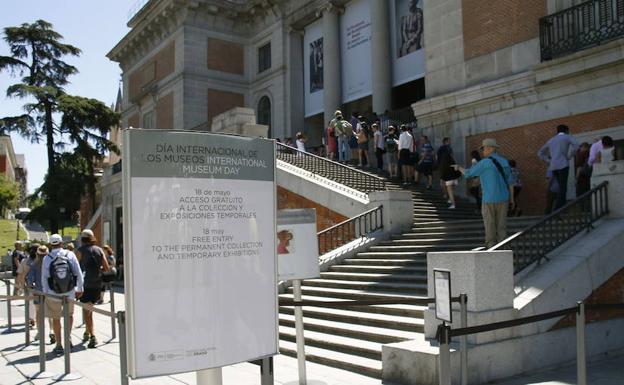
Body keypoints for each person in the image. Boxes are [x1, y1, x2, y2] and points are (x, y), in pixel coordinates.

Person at [455, 139, 513, 248]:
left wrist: (459, 168)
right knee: (502, 226)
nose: (483, 151)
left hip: (489, 199)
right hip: (504, 198)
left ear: (491, 148)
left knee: (489, 224)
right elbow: (510, 181)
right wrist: (512, 199)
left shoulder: (485, 163)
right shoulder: (504, 162)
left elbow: (468, 174)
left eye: (484, 148)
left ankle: (491, 247)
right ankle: (505, 248)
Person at [42, 234, 83, 355]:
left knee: (55, 318)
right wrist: (79, 288)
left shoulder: (47, 258)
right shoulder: (70, 254)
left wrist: (46, 292)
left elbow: (44, 277)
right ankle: (68, 338)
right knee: (69, 315)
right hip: (69, 291)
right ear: (61, 243)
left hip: (53, 292)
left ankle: (59, 344)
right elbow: (77, 272)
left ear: (51, 244)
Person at [77, 229, 109, 348]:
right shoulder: (99, 250)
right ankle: (87, 331)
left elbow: (75, 268)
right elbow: (106, 268)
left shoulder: (80, 251)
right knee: (89, 310)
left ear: (83, 239)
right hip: (97, 285)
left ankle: (92, 336)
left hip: (85, 285)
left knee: (87, 312)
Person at [538, 124, 578, 210]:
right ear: (566, 130)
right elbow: (576, 146)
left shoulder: (551, 140)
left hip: (554, 166)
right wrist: (570, 156)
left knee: (560, 186)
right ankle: (559, 208)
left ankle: (558, 207)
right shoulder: (567, 137)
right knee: (563, 187)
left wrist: (549, 160)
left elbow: (540, 152)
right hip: (563, 164)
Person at [25, 244, 55, 343]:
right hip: (50, 291)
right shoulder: (51, 263)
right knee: (50, 312)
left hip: (38, 291)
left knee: (39, 312)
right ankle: (51, 331)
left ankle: (40, 332)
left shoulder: (34, 264)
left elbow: (30, 280)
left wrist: (30, 288)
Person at [438, 140, 461, 209]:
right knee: (451, 190)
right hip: (454, 176)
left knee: (450, 191)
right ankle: (450, 200)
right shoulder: (450, 158)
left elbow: (443, 169)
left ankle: (453, 204)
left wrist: (442, 177)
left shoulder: (443, 158)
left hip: (448, 176)